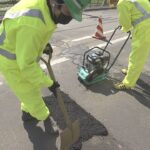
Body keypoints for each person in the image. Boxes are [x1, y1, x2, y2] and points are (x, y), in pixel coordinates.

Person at [0, 0, 91, 121]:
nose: (70, 17)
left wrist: (43, 45)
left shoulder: (44, 7)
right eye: (69, 12)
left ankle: (27, 109)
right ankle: (43, 116)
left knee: (32, 85)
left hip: (21, 51)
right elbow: (27, 65)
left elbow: (33, 34)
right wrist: (50, 84)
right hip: (11, 62)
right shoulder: (32, 24)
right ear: (57, 2)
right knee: (30, 92)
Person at [114, 0, 150, 90]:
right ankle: (131, 72)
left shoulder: (122, 3)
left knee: (137, 58)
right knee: (135, 55)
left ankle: (128, 83)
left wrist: (126, 28)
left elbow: (125, 22)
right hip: (145, 27)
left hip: (144, 31)